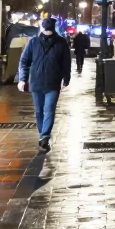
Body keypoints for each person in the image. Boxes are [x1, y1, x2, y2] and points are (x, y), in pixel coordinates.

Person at [16, 17, 71, 153]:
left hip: (53, 82)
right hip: (36, 82)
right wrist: (22, 79)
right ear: (42, 29)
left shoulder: (61, 43)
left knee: (49, 109)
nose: (47, 33)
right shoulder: (33, 42)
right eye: (46, 31)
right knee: (39, 111)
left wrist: (66, 78)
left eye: (49, 31)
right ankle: (43, 136)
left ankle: (45, 136)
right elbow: (24, 61)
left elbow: (66, 63)